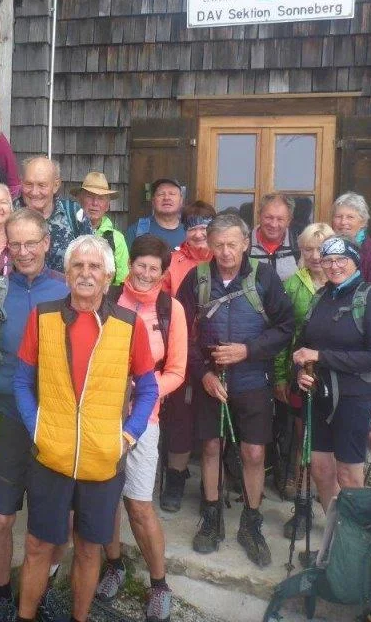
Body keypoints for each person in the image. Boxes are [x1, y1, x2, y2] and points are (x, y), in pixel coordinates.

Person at [14, 236, 158, 622]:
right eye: (78, 266)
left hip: (102, 459)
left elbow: (148, 389)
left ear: (109, 275)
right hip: (51, 455)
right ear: (66, 273)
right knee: (37, 546)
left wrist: (126, 436)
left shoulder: (129, 325)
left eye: (95, 267)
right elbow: (22, 382)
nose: (86, 274)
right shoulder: (42, 316)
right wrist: (37, 427)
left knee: (90, 548)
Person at [176, 212, 293, 567]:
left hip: (253, 381)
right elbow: (182, 336)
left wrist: (248, 350)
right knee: (211, 447)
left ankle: (251, 523)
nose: (226, 252)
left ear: (246, 244)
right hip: (211, 382)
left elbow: (286, 326)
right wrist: (203, 376)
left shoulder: (264, 278)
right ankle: (211, 517)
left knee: (254, 454)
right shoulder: (196, 279)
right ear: (209, 246)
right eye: (219, 245)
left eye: (233, 244)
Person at [93, 236, 186, 620]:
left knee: (139, 504)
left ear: (164, 274)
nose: (146, 274)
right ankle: (113, 565)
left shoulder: (170, 309)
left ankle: (159, 583)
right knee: (105, 499)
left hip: (143, 420)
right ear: (128, 264)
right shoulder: (108, 298)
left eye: (154, 269)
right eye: (140, 265)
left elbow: (178, 371)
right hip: (100, 415)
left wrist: (141, 395)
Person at [0, 209, 69, 622]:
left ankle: (44, 585)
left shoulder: (67, 291)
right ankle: (2, 593)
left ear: (46, 243)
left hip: (55, 422)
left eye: (30, 243)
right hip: (7, 419)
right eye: (14, 243)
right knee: (0, 518)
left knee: (52, 519)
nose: (23, 251)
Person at [293, 237, 371, 514]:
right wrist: (301, 372)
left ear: (354, 261)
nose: (334, 266)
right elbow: (305, 346)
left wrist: (320, 357)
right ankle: (332, 540)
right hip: (320, 396)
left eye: (341, 260)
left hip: (354, 398)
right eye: (328, 260)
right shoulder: (320, 297)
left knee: (348, 475)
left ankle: (353, 547)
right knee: (322, 472)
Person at [274, 222, 335, 537]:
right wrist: (282, 376)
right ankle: (302, 506)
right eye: (308, 249)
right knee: (303, 439)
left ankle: (335, 510)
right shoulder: (292, 285)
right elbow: (283, 335)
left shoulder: (342, 285)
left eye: (320, 249)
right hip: (301, 375)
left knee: (328, 444)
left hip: (333, 376)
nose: (314, 256)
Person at [158, 201, 216, 513]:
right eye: (192, 227)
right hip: (179, 347)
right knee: (179, 417)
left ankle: (214, 489)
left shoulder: (225, 260)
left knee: (211, 422)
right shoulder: (174, 261)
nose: (198, 234)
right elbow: (160, 300)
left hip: (215, 353)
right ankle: (176, 478)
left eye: (204, 227)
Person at [330, 191, 371, 468]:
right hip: (340, 352)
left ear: (363, 222)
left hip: (366, 354)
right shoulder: (331, 252)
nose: (343, 222)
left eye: (350, 217)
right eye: (339, 216)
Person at [17, 156, 92, 273]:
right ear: (21, 182)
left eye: (41, 185)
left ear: (56, 185)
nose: (34, 192)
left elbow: (92, 256)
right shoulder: (10, 213)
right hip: (20, 289)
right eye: (28, 184)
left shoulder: (74, 212)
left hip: (65, 290)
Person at [74, 171, 128, 290]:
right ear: (80, 200)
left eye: (101, 198)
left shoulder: (116, 239)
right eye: (89, 196)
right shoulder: (69, 229)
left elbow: (122, 281)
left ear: (107, 205)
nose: (95, 203)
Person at [248, 193, 301, 281]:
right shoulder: (244, 245)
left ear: (289, 221)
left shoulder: (298, 245)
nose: (273, 224)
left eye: (280, 219)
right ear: (259, 216)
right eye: (268, 217)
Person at [126, 178, 186, 249]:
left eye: (172, 194)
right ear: (153, 201)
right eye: (161, 194)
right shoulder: (137, 231)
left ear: (181, 200)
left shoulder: (191, 231)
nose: (166, 198)